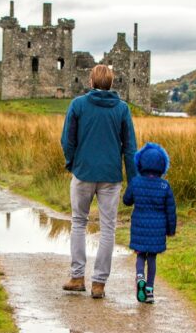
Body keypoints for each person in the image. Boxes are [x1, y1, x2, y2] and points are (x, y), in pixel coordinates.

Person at [60, 65, 137, 299]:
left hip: (83, 172)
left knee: (78, 223)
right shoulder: (122, 109)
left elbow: (67, 139)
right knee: (108, 228)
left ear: (91, 82)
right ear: (111, 83)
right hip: (110, 175)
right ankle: (99, 283)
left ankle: (76, 277)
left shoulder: (78, 104)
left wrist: (72, 163)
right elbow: (130, 148)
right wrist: (133, 181)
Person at [122, 142, 176, 304]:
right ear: (162, 165)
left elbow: (127, 200)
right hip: (157, 229)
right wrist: (170, 230)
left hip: (139, 226)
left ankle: (140, 278)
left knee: (140, 256)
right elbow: (170, 210)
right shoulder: (165, 185)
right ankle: (150, 291)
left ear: (140, 163)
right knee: (152, 258)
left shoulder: (136, 182)